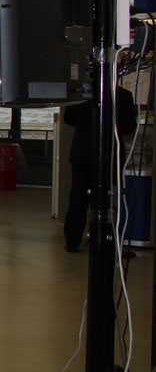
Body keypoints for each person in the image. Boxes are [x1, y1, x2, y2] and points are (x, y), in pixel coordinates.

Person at [63, 85, 137, 252]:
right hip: (109, 153)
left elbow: (69, 118)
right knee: (108, 198)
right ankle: (106, 238)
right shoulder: (123, 95)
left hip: (82, 151)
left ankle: (72, 240)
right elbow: (128, 126)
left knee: (78, 197)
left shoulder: (79, 94)